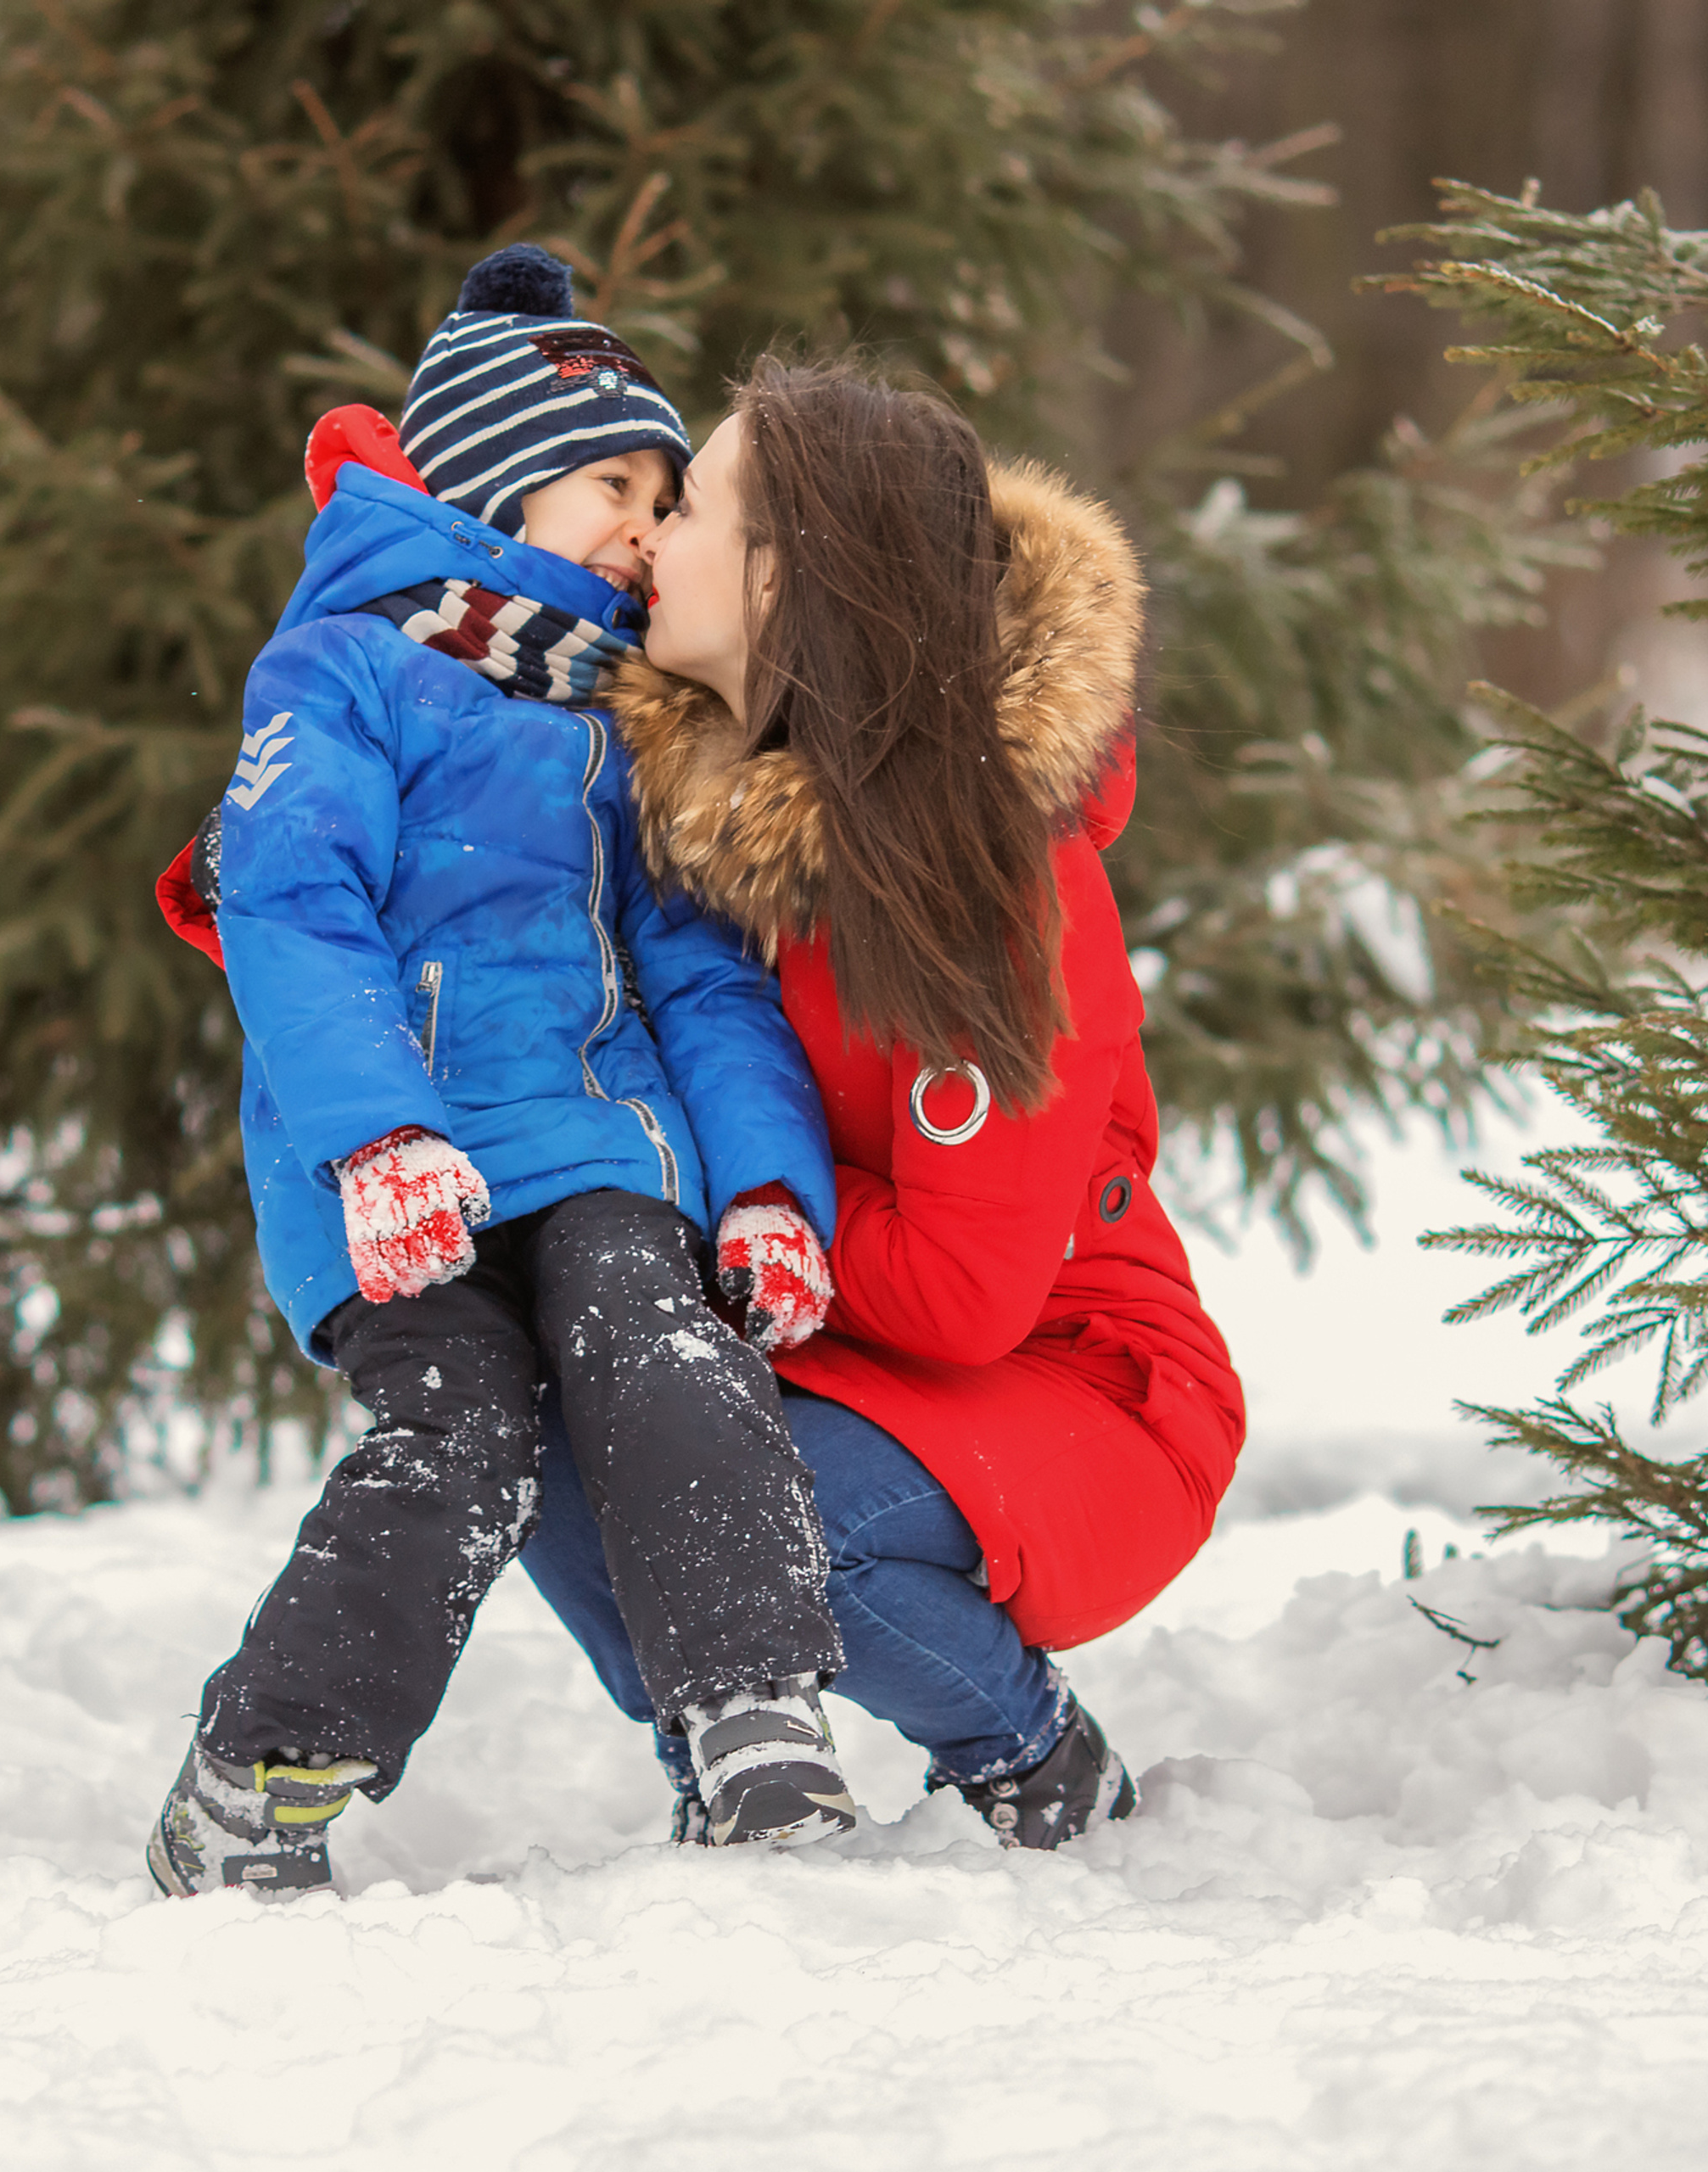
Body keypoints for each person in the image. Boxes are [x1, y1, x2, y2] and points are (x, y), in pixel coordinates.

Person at [146, 250, 860, 1901]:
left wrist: (761, 1183)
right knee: (462, 1431)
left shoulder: (630, 717)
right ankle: (255, 1772)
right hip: (395, 1172)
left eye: (667, 492)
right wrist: (378, 1133)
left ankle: (749, 1711)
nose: (644, 520)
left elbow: (698, 970)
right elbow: (287, 898)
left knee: (662, 1345)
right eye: (613, 478)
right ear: (484, 476)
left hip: (600, 1147)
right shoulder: (342, 667)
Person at [518, 355, 1247, 1850]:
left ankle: (1033, 1750)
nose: (651, 538)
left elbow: (967, 1298)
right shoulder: (703, 808)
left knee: (756, 1525)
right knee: (554, 1450)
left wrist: (728, 1216)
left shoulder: (994, 888)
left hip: (1080, 1383)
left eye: (698, 505)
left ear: (791, 576)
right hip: (849, 1345)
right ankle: (732, 1761)